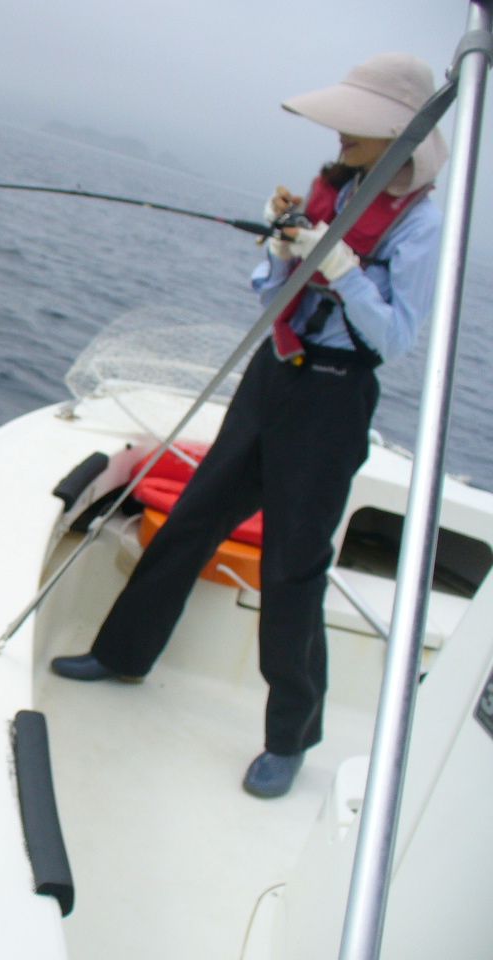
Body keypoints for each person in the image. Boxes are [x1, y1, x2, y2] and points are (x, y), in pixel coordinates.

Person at [50, 53, 447, 799]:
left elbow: (393, 338)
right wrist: (279, 246)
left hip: (333, 400)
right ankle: (123, 655)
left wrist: (338, 269)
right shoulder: (341, 187)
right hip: (274, 376)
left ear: (396, 136)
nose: (337, 137)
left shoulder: (421, 223)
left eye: (353, 127)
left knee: (293, 569)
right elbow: (271, 292)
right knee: (194, 519)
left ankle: (289, 738)